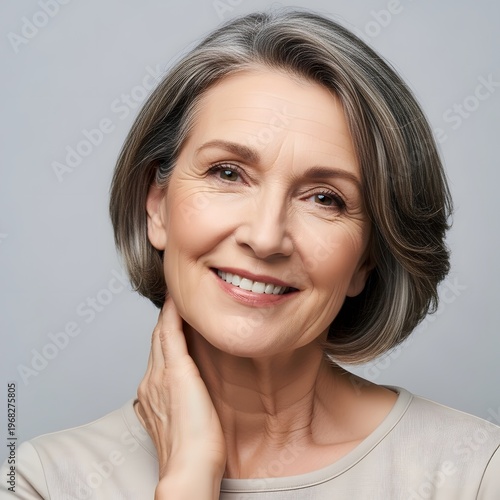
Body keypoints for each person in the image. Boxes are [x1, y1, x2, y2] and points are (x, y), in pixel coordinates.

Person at [1, 9, 499, 499]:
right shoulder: (39, 482)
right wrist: (188, 481)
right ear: (157, 205)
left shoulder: (473, 473)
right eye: (228, 173)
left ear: (368, 258)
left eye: (325, 198)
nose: (265, 238)